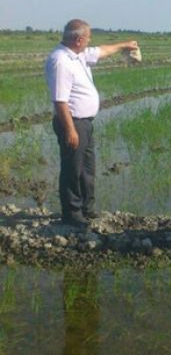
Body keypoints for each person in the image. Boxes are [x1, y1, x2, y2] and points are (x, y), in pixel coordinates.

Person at [45, 19, 139, 227]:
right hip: (72, 123)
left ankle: (87, 208)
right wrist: (70, 130)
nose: (90, 42)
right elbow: (60, 101)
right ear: (79, 39)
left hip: (85, 123)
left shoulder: (78, 55)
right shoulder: (61, 61)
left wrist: (125, 45)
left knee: (87, 169)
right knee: (72, 169)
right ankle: (71, 213)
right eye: (88, 38)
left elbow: (103, 50)